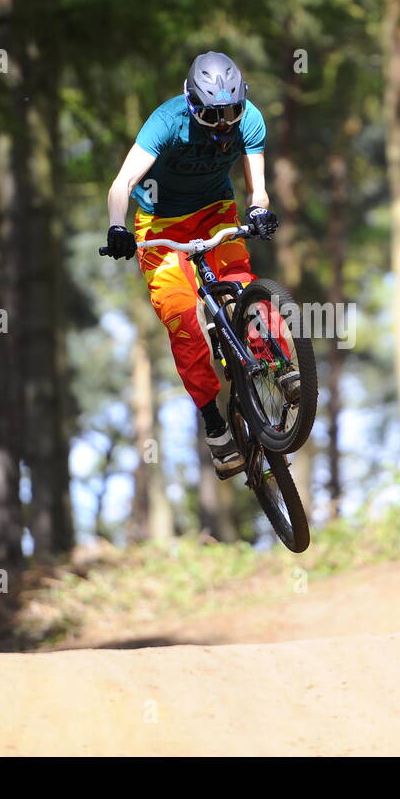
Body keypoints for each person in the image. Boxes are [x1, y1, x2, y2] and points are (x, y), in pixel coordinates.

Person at [103, 51, 292, 478]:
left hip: (216, 211)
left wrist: (259, 209)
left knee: (244, 287)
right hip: (159, 226)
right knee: (181, 319)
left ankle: (279, 365)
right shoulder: (165, 122)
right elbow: (123, 181)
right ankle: (215, 425)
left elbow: (256, 186)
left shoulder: (251, 120)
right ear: (191, 104)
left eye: (231, 111)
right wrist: (117, 227)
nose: (223, 123)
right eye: (211, 114)